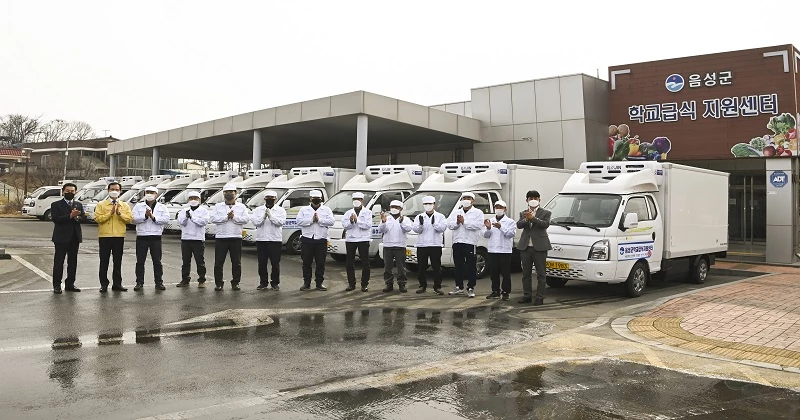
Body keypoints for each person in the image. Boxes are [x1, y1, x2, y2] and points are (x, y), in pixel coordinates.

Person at [94, 181, 133, 292]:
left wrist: (120, 214)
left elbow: (129, 219)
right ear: (108, 190)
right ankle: (104, 284)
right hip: (105, 236)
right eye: (112, 189)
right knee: (104, 261)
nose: (114, 192)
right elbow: (97, 219)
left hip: (119, 236)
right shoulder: (101, 204)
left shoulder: (124, 205)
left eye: (116, 190)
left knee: (118, 261)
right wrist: (110, 213)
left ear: (120, 191)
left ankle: (117, 284)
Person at [210, 183, 250, 291]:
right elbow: (213, 219)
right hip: (221, 237)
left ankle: (235, 283)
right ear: (223, 194)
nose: (229, 194)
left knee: (236, 262)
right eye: (226, 192)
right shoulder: (218, 206)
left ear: (235, 193)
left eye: (231, 192)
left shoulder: (241, 207)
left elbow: (246, 219)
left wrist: (234, 217)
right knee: (219, 262)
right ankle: (219, 283)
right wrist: (226, 217)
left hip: (236, 237)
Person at [517, 190, 552, 306]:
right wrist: (527, 219)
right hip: (526, 247)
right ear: (526, 200)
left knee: (541, 274)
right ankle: (527, 295)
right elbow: (519, 225)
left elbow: (545, 224)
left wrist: (533, 218)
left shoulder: (546, 212)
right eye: (530, 198)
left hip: (540, 247)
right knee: (526, 274)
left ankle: (540, 297)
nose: (533, 200)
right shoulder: (523, 212)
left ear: (539, 200)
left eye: (536, 198)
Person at [447, 192, 484, 298]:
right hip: (458, 242)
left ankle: (471, 288)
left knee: (471, 266)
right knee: (458, 266)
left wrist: (464, 222)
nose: (466, 200)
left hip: (470, 243)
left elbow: (478, 225)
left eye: (468, 198)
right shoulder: (456, 212)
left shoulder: (478, 213)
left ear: (473, 201)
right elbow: (450, 225)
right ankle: (459, 286)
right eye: (464, 198)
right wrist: (457, 223)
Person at [132, 186, 169, 291]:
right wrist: (144, 216)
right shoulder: (139, 206)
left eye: (152, 192)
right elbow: (133, 219)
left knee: (157, 261)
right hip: (142, 237)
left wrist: (153, 217)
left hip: (156, 237)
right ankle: (139, 282)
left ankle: (159, 282)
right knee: (140, 261)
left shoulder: (162, 207)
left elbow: (165, 219)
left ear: (156, 194)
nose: (149, 194)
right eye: (147, 192)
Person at [296, 189, 334, 291]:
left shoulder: (326, 210)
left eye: (318, 199)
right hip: (307, 239)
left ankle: (319, 283)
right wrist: (311, 220)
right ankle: (306, 283)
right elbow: (299, 221)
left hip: (321, 239)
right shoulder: (304, 210)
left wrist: (319, 220)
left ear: (321, 199)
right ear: (310, 199)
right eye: (314, 199)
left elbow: (331, 222)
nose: (316, 200)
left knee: (320, 263)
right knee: (306, 263)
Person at [50, 182, 85, 294]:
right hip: (61, 237)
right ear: (63, 191)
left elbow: (83, 218)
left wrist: (77, 217)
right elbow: (56, 219)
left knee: (73, 262)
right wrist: (70, 216)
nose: (70, 193)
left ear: (76, 192)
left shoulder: (78, 204)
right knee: (59, 262)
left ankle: (70, 283)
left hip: (74, 237)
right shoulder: (56, 205)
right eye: (68, 191)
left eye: (72, 191)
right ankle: (57, 285)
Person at [250, 190, 286, 291]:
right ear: (264, 199)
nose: (270, 199)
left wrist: (271, 217)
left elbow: (280, 222)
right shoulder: (258, 210)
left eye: (272, 198)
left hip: (275, 240)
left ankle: (275, 283)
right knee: (262, 263)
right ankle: (263, 282)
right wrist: (263, 217)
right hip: (261, 239)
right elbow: (256, 222)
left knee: (275, 263)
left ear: (276, 199)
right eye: (268, 198)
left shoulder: (280, 210)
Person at [413, 195, 447, 295]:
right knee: (421, 267)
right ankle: (422, 286)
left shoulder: (440, 216)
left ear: (434, 205)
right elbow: (415, 230)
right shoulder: (419, 217)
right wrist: (420, 225)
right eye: (426, 204)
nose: (428, 206)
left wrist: (435, 224)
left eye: (430, 204)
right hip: (422, 245)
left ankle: (437, 287)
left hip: (435, 245)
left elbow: (443, 228)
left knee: (436, 267)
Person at [483, 200, 517, 301]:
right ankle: (495, 291)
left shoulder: (510, 222)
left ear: (505, 209)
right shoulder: (490, 220)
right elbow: (485, 235)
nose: (498, 209)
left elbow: (510, 234)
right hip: (493, 250)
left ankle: (506, 292)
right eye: (496, 207)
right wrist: (488, 228)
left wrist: (501, 227)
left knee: (505, 273)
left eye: (500, 207)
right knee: (494, 272)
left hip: (505, 251)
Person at [176, 190, 209, 288]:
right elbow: (181, 222)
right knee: (186, 261)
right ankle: (185, 279)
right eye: (191, 198)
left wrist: (193, 218)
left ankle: (202, 280)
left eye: (195, 198)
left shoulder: (204, 211)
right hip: (186, 238)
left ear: (199, 199)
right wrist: (186, 217)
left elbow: (203, 222)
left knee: (200, 261)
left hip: (198, 239)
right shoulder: (184, 210)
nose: (193, 200)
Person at [341, 192, 372, 292]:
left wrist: (357, 220)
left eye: (358, 199)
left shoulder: (368, 212)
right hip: (351, 239)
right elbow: (345, 226)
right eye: (354, 200)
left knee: (365, 263)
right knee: (349, 263)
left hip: (363, 239)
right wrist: (350, 222)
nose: (356, 201)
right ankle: (351, 284)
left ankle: (364, 284)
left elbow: (367, 225)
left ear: (362, 201)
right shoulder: (348, 213)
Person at [379, 200, 412, 293]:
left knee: (401, 267)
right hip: (388, 245)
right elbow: (381, 230)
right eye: (392, 207)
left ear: (400, 209)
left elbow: (408, 229)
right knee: (387, 267)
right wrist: (383, 221)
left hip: (400, 246)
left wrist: (402, 223)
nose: (394, 209)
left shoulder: (405, 219)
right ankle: (388, 283)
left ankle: (402, 284)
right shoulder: (387, 218)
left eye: (396, 207)